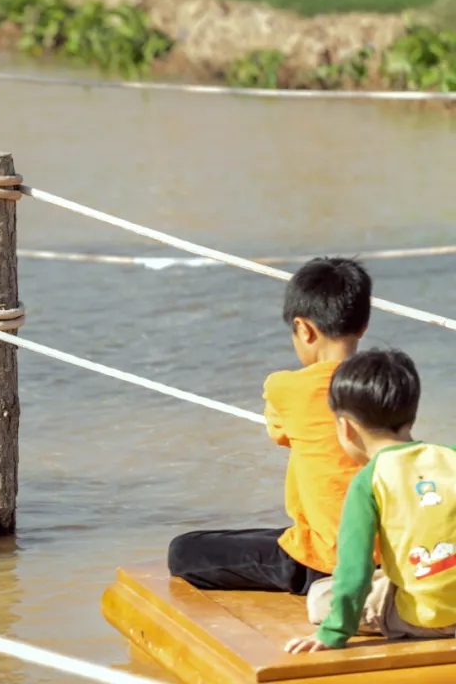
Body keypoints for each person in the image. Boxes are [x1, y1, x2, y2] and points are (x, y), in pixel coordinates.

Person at [167, 257, 372, 593]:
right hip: (390, 549)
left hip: (325, 560)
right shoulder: (387, 382)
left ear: (304, 329)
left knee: (185, 550)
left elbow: (279, 433)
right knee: (274, 536)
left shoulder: (287, 387)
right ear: (363, 326)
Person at [286, 348, 456, 653]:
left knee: (321, 596)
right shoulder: (450, 456)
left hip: (426, 619)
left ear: (346, 428)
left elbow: (355, 568)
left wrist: (333, 632)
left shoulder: (369, 481)